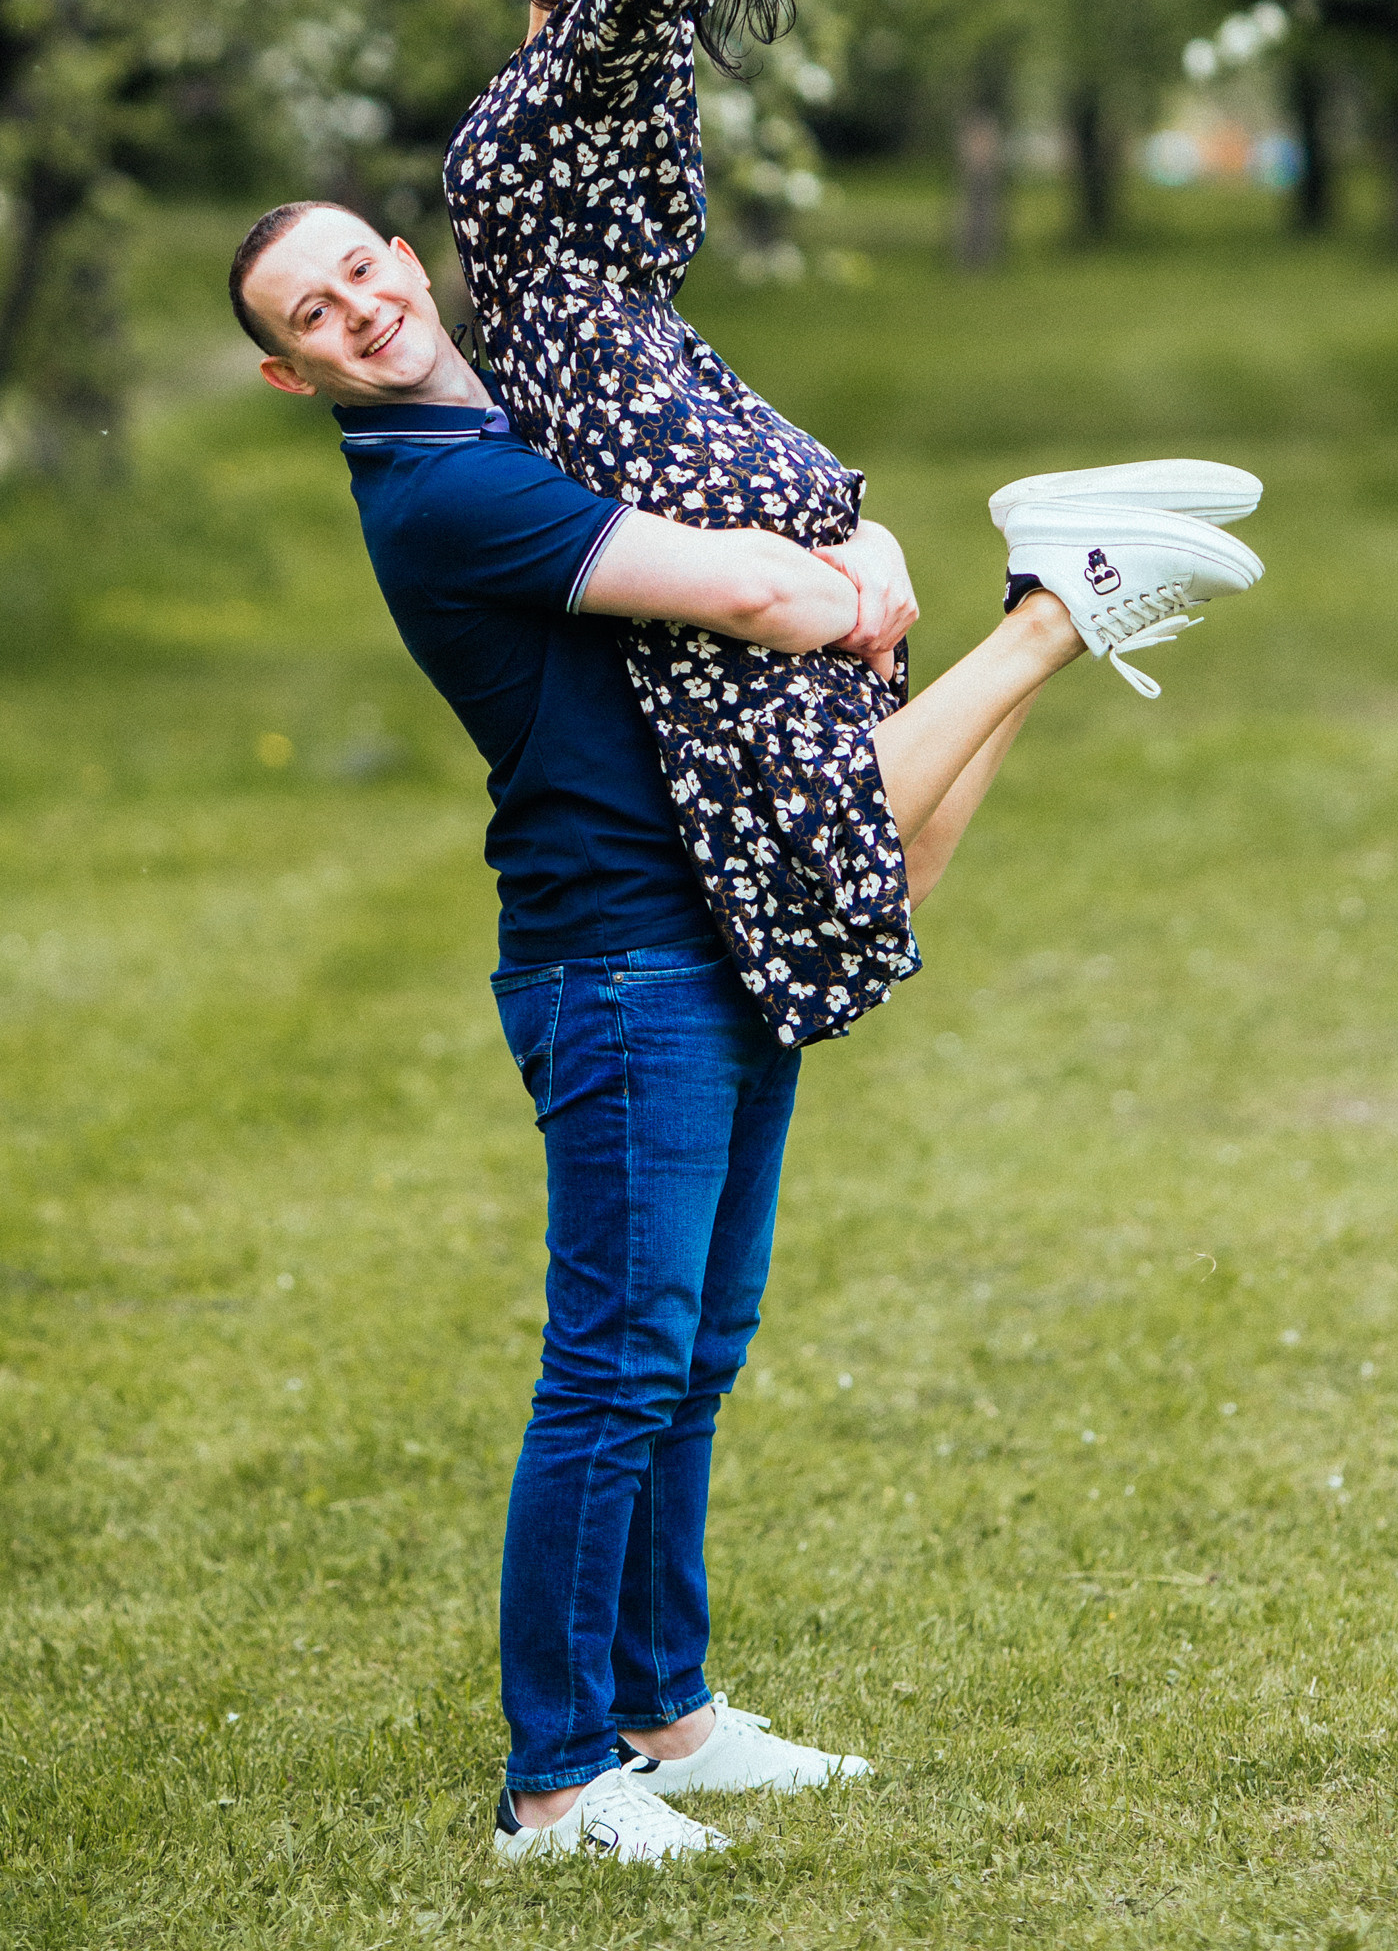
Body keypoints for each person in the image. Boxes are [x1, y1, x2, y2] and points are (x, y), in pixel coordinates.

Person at [231, 199, 1262, 1861]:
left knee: (693, 1352)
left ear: (409, 262)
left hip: (703, 922)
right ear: (292, 376)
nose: (355, 307)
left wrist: (861, 546)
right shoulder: (447, 490)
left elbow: (748, 498)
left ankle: (667, 1718)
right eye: (310, 313)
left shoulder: (517, 413)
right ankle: (555, 1785)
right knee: (615, 1368)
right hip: (619, 961)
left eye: (362, 267)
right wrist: (846, 572)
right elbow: (747, 589)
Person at [442, 0, 1256, 1052]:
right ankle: (1053, 583)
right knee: (894, 865)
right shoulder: (564, 59)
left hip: (658, 465)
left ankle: (1056, 616)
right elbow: (602, 26)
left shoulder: (616, 42)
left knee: (828, 849)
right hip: (694, 432)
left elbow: (626, 5)